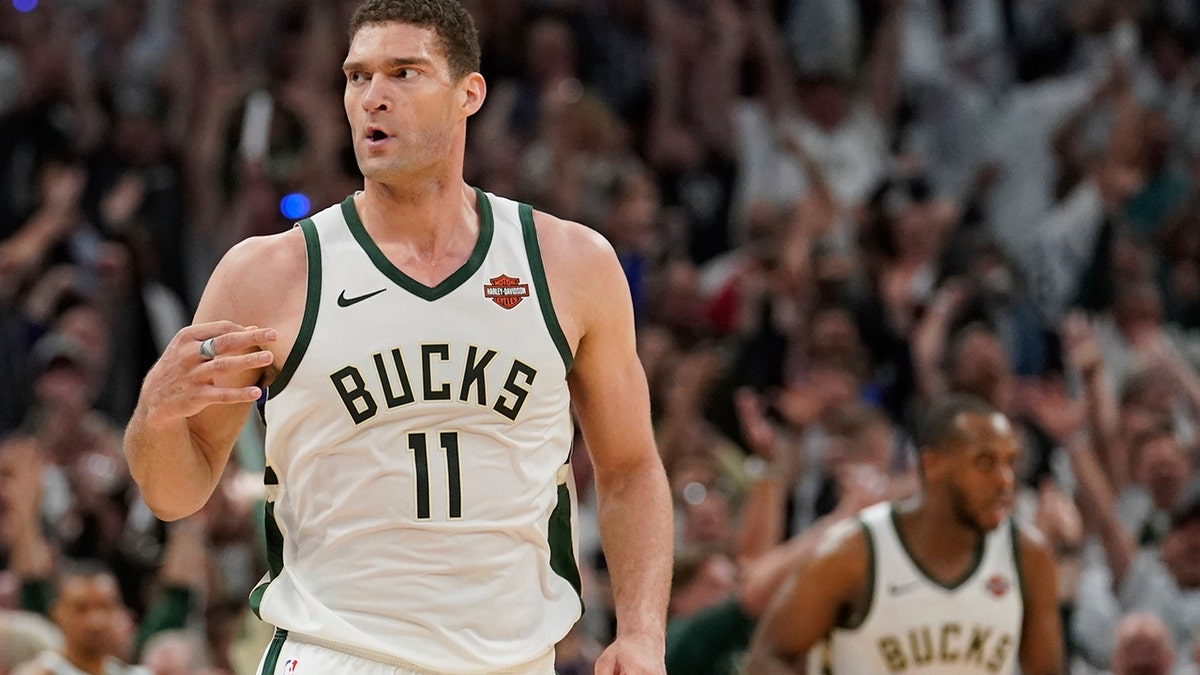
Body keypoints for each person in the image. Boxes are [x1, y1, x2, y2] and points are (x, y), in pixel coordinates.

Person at [121, 1, 674, 674]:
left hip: (516, 660)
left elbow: (629, 468)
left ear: (469, 93)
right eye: (357, 77)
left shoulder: (570, 264)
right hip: (336, 654)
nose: (372, 98)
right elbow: (177, 492)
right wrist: (153, 415)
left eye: (404, 73)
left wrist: (643, 632)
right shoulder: (267, 275)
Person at [745, 394, 1063, 674]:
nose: (1005, 481)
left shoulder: (1028, 556)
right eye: (985, 463)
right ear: (933, 464)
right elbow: (767, 657)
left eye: (1010, 462)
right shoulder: (854, 552)